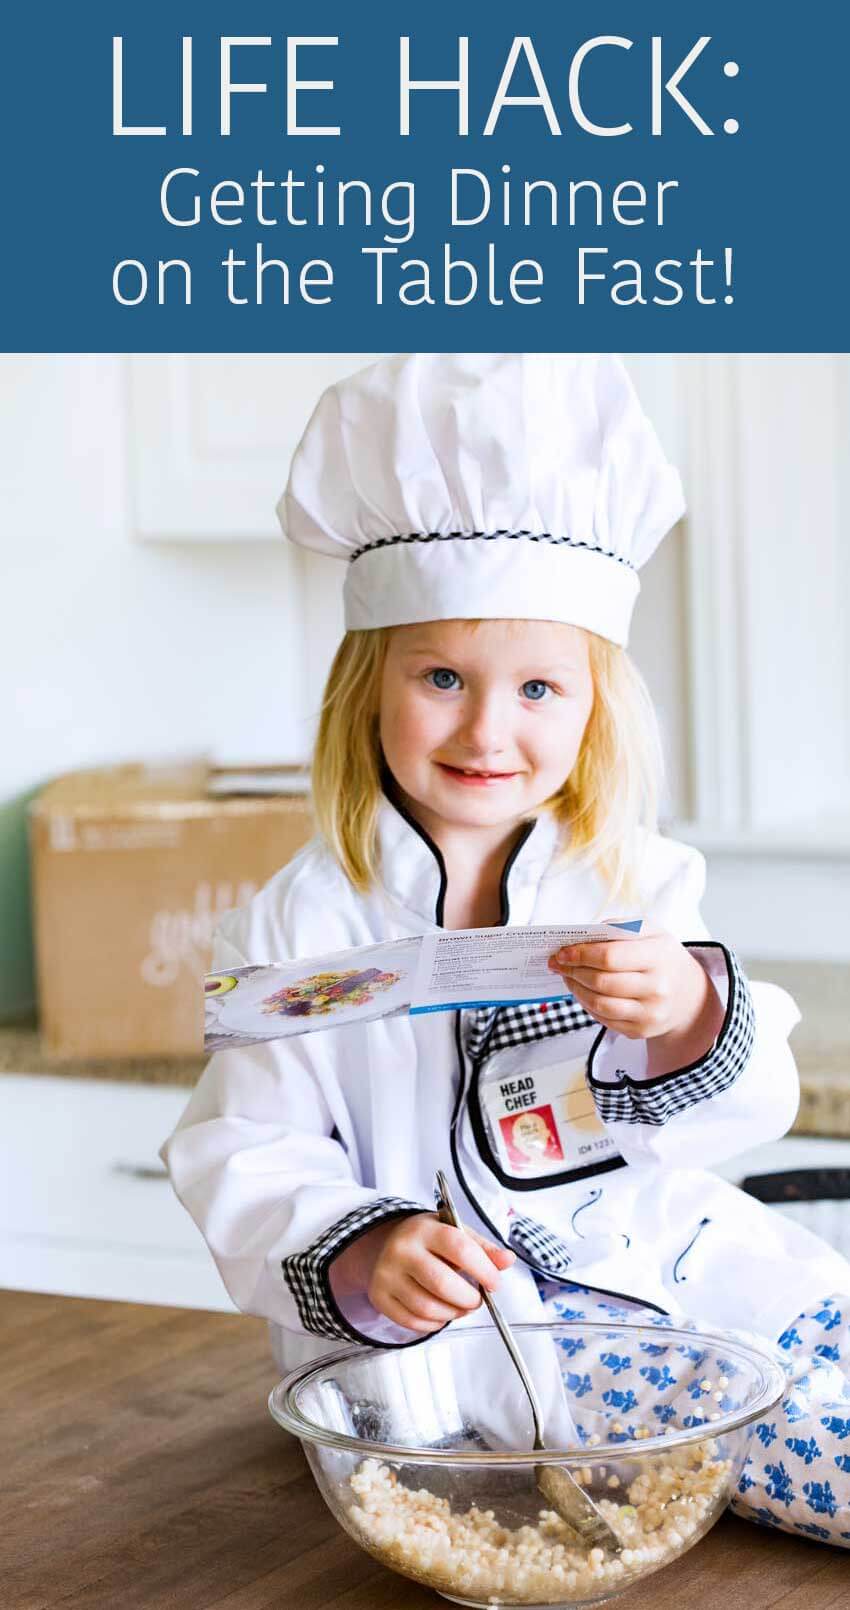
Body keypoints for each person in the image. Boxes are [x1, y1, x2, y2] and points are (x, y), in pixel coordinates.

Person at [162, 353, 850, 1547]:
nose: (489, 728)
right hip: (487, 1353)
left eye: (539, 685)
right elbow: (243, 1149)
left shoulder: (637, 878)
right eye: (442, 676)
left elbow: (738, 1113)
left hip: (696, 1271)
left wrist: (687, 1012)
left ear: (594, 706)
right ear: (363, 687)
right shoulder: (296, 925)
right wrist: (368, 1249)